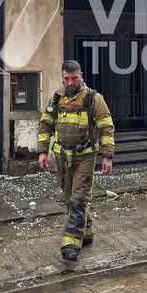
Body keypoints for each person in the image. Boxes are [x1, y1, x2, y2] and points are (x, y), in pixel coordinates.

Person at [37, 61, 115, 264]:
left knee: (78, 198)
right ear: (62, 77)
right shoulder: (57, 97)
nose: (70, 82)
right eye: (66, 78)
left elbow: (106, 128)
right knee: (69, 197)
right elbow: (45, 125)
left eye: (74, 78)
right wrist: (42, 152)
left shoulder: (93, 98)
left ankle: (70, 244)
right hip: (62, 157)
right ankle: (86, 232)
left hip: (85, 158)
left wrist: (107, 156)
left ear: (81, 74)